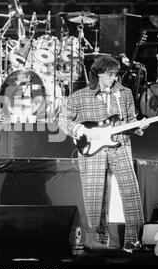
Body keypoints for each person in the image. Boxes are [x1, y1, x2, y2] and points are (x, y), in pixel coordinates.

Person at [58, 56, 147, 253]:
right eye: (110, 74)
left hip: (120, 146)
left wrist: (138, 127)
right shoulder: (79, 96)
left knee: (131, 193)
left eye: (116, 74)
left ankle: (133, 242)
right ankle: (99, 242)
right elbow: (63, 120)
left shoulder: (125, 93)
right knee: (94, 197)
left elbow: (131, 120)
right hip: (92, 151)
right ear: (98, 73)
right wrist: (79, 129)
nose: (114, 78)